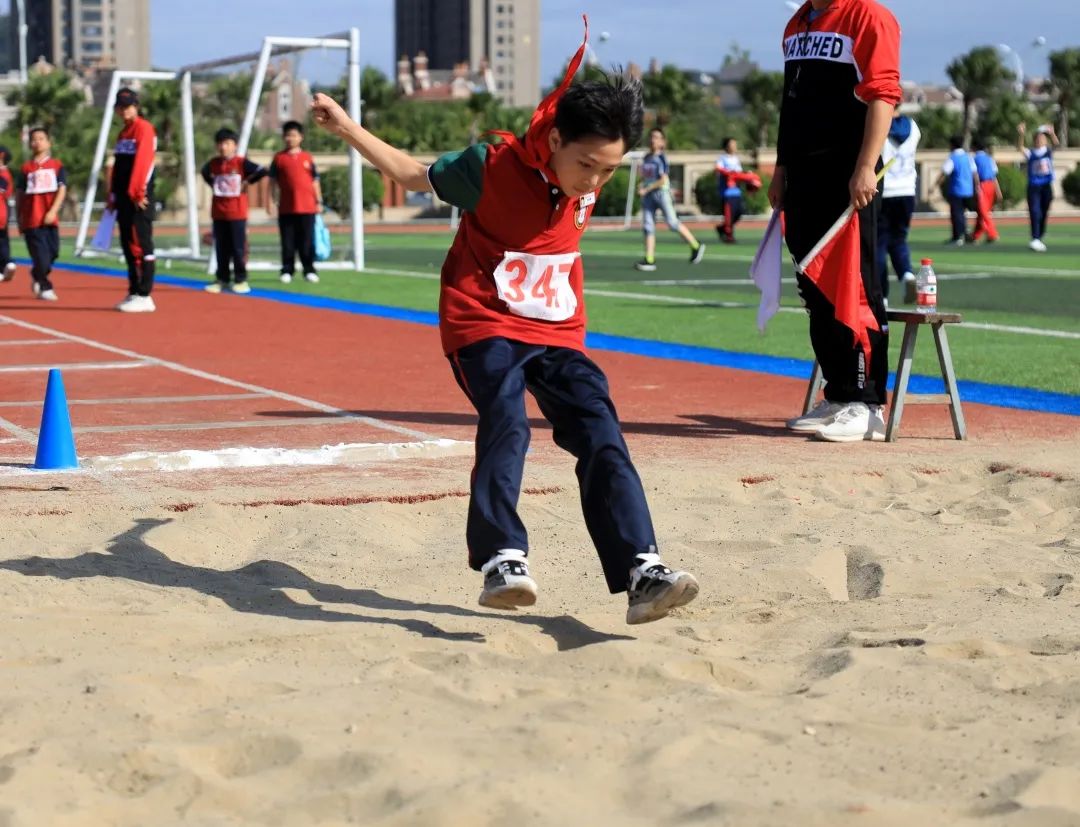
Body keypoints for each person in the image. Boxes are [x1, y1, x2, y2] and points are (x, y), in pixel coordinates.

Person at [311, 23, 699, 625]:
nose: (594, 182)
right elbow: (414, 175)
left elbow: (574, 197)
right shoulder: (487, 167)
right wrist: (346, 128)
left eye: (608, 172)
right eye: (587, 166)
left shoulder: (587, 179)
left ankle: (641, 569)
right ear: (554, 141)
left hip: (557, 331)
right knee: (507, 418)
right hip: (482, 322)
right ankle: (502, 559)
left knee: (599, 427)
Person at [772, 0, 900, 443]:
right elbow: (789, 106)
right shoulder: (797, 23)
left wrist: (865, 166)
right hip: (803, 176)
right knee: (815, 287)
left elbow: (883, 93)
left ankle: (866, 404)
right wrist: (781, 168)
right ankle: (839, 393)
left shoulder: (868, 16)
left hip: (847, 173)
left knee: (856, 285)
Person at [201, 128, 268, 294]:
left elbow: (262, 170)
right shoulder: (213, 164)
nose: (223, 147)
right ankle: (222, 279)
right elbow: (204, 173)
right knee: (221, 248)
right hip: (218, 212)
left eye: (227, 143)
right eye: (220, 144)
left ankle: (241, 279)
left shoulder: (241, 162)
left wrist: (247, 182)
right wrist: (213, 183)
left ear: (234, 146)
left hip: (237, 213)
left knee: (238, 248)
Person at [110, 87, 159, 313]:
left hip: (138, 198)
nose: (125, 110)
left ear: (136, 107)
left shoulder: (144, 129)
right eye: (121, 106)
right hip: (123, 198)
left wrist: (138, 192)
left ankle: (144, 293)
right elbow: (119, 167)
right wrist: (113, 194)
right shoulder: (123, 133)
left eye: (128, 106)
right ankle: (134, 290)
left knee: (141, 244)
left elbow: (144, 163)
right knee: (128, 245)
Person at [634, 127, 704, 271]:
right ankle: (649, 259)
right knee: (648, 226)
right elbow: (646, 176)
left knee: (672, 222)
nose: (653, 140)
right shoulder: (647, 157)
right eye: (651, 137)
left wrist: (647, 188)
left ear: (662, 142)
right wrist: (641, 185)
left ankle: (695, 245)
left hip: (661, 194)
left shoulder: (661, 158)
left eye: (657, 137)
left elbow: (663, 179)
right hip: (648, 196)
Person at [15, 127, 66, 302]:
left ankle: (37, 274)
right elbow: (19, 194)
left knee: (53, 253)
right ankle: (45, 287)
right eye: (34, 139)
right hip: (32, 221)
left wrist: (53, 211)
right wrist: (19, 218)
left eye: (41, 138)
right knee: (41, 257)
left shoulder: (57, 166)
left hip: (50, 220)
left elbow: (62, 190)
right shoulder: (26, 168)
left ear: (48, 142)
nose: (37, 142)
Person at [269, 121, 323, 285]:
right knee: (287, 242)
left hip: (307, 208)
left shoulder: (308, 157)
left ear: (301, 137)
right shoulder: (279, 158)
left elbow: (315, 181)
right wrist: (271, 202)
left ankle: (309, 270)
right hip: (286, 208)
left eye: (293, 135)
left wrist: (319, 201)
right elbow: (272, 182)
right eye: (287, 135)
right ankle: (287, 270)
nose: (290, 138)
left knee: (307, 241)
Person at [878, 109, 920, 302]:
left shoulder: (877, 123)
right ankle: (907, 275)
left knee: (878, 243)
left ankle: (881, 295)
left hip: (883, 190)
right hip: (907, 190)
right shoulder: (913, 127)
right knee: (899, 239)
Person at [1017, 122, 1059, 252]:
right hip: (1034, 187)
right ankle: (1035, 238)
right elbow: (1020, 147)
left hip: (1046, 187)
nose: (1040, 140)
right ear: (1035, 140)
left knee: (1044, 212)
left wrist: (1052, 133)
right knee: (1035, 212)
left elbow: (1057, 144)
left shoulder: (1048, 152)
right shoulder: (1031, 153)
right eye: (1038, 138)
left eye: (1043, 138)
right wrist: (1021, 134)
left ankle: (1039, 236)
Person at [935, 135, 978, 246]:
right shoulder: (968, 157)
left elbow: (945, 172)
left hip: (956, 190)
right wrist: (977, 186)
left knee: (956, 214)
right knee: (963, 214)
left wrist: (935, 185)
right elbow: (975, 173)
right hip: (968, 190)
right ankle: (964, 234)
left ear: (952, 145)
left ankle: (958, 237)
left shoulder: (953, 157)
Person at [970, 137, 1002, 245]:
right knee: (982, 212)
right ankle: (975, 235)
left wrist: (976, 187)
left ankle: (993, 234)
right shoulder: (989, 158)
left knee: (983, 211)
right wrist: (998, 190)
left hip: (982, 185)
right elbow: (994, 176)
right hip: (991, 185)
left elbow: (975, 174)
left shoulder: (974, 158)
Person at [714, 137, 745, 244]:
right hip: (726, 193)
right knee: (729, 215)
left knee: (739, 213)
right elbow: (718, 169)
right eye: (732, 144)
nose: (735, 146)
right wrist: (727, 173)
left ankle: (721, 228)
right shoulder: (722, 158)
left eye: (735, 144)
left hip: (736, 192)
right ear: (727, 146)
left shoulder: (736, 159)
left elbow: (740, 173)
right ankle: (729, 235)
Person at [0, 145, 15, 284]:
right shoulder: (6, 174)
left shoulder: (3, 174)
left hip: (1, 212)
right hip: (3, 212)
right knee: (3, 240)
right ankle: (5, 265)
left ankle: (5, 264)